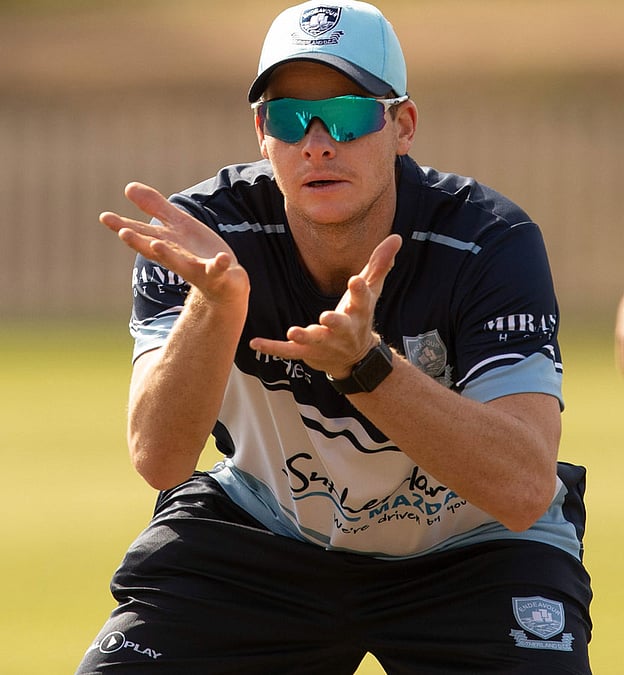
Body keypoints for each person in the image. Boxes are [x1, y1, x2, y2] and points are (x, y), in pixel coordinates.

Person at [76, 2, 592, 673]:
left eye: (347, 115)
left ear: (401, 124)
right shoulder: (203, 238)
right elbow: (161, 458)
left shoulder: (489, 243)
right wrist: (217, 304)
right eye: (289, 118)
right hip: (269, 529)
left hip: (475, 550)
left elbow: (524, 487)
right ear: (263, 132)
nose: (317, 142)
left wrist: (367, 368)